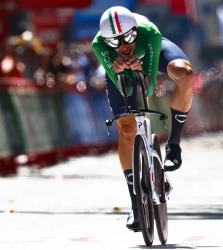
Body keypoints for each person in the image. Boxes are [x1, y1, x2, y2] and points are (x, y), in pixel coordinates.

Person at [92, 6, 194, 231]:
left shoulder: (149, 33)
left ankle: (174, 146)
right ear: (106, 41)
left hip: (149, 53)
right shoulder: (99, 45)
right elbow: (126, 87)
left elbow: (147, 89)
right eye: (115, 42)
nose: (123, 45)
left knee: (185, 75)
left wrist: (141, 69)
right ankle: (136, 204)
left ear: (135, 31)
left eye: (128, 37)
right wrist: (120, 70)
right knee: (127, 129)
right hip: (121, 70)